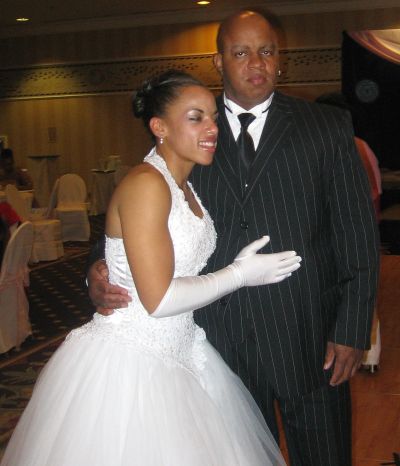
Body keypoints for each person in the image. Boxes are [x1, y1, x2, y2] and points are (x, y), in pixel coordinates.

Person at [87, 10, 380, 466]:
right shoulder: (190, 130)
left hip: (308, 336)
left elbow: (356, 234)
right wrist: (98, 270)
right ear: (219, 61)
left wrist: (352, 329)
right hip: (216, 342)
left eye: (267, 51)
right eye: (241, 53)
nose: (256, 63)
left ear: (280, 59)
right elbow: (139, 204)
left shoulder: (325, 127)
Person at [1, 70, 303, 466]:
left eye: (213, 117)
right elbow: (158, 300)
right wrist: (240, 274)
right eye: (195, 117)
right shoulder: (148, 185)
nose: (212, 128)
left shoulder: (185, 184)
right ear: (159, 127)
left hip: (184, 348)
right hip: (133, 359)